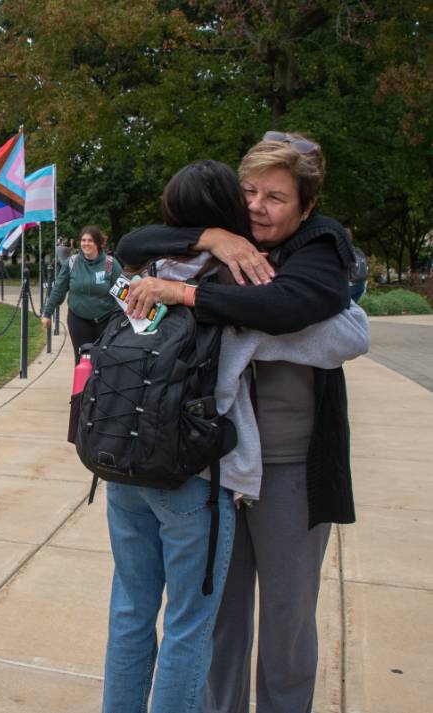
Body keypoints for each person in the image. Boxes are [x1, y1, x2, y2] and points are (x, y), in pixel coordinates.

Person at [101, 159, 369, 713]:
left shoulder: (298, 258)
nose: (257, 205)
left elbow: (338, 328)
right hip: (215, 472)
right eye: (248, 192)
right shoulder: (224, 258)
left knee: (282, 619)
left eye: (275, 196)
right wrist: (218, 247)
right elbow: (136, 240)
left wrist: (209, 300)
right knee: (211, 620)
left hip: (273, 468)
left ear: (306, 207)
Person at [41, 225, 123, 359]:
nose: (86, 243)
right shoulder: (71, 263)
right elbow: (58, 290)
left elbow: (123, 294)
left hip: (106, 321)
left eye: (90, 240)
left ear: (97, 242)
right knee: (82, 361)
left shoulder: (111, 264)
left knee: (104, 361)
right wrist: (47, 313)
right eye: (83, 240)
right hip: (78, 321)